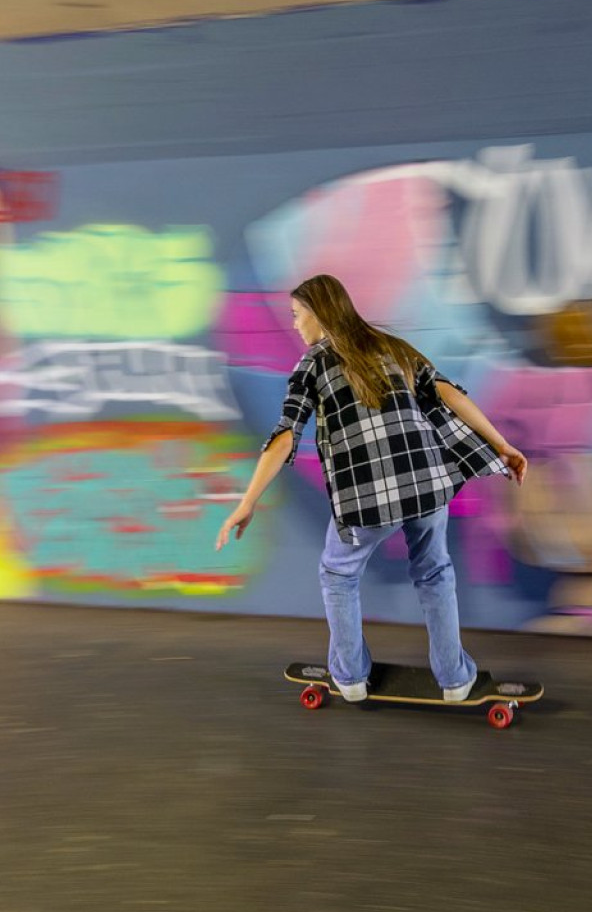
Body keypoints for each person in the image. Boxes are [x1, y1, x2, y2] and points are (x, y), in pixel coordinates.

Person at [215, 275, 527, 702]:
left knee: (338, 574)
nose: (294, 326)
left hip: (369, 497)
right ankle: (455, 679)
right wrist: (503, 445)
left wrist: (248, 501)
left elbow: (286, 434)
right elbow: (450, 393)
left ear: (320, 315)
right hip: (426, 483)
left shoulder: (312, 365)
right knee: (435, 572)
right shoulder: (392, 347)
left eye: (297, 315)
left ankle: (350, 676)